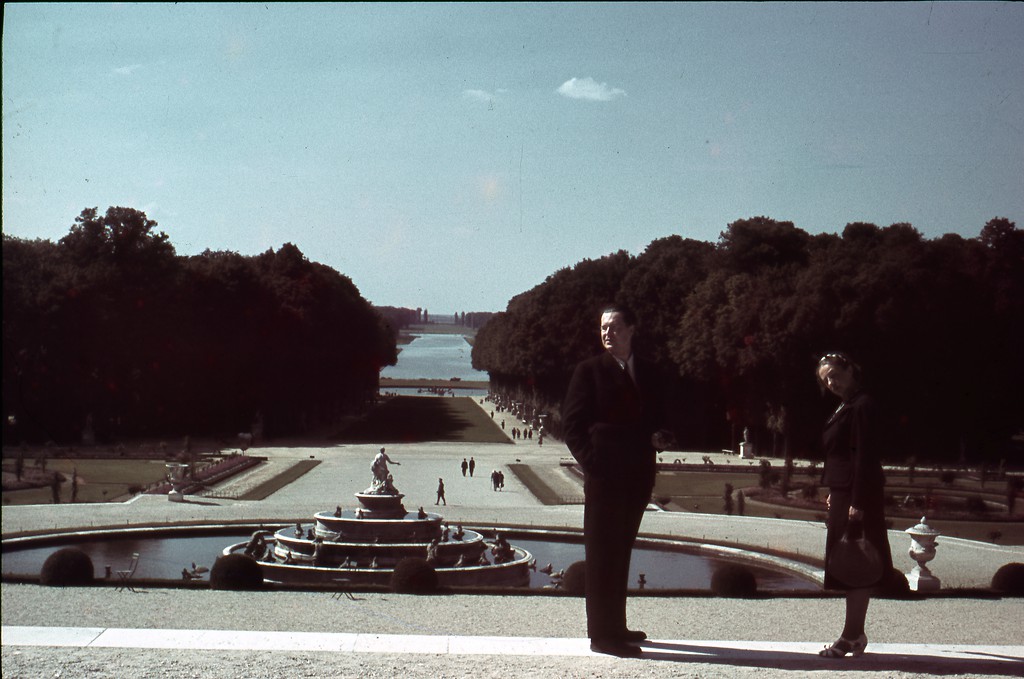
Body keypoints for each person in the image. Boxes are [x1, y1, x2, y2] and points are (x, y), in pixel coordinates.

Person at [561, 304, 675, 657]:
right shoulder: (589, 371)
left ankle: (617, 626)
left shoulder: (650, 372)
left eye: (614, 327)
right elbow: (572, 427)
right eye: (603, 328)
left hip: (638, 476)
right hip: (605, 478)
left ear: (632, 329)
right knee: (601, 555)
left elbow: (663, 417)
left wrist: (664, 435)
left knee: (621, 553)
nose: (607, 333)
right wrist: (594, 465)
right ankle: (601, 635)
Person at [816, 352, 893, 658]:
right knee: (850, 565)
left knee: (856, 565)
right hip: (846, 491)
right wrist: (837, 489)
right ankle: (855, 634)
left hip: (858, 495)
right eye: (826, 379)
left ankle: (851, 636)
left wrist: (857, 502)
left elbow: (865, 457)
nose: (831, 382)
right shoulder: (848, 405)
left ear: (850, 369)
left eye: (835, 374)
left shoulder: (862, 405)